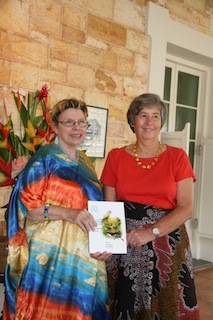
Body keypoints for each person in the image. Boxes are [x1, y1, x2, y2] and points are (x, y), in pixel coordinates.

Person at [3, 98, 111, 320]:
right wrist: (69, 214)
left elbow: (97, 208)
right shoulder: (44, 159)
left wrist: (107, 242)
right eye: (69, 122)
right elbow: (28, 207)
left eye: (82, 122)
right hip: (49, 258)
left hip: (83, 258)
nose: (77, 128)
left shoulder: (85, 162)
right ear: (55, 126)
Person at [101, 93, 200, 320]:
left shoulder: (178, 157)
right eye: (143, 115)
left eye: (155, 116)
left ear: (161, 122)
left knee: (167, 309)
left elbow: (186, 208)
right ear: (133, 121)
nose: (149, 122)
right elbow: (108, 207)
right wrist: (106, 242)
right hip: (126, 245)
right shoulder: (116, 157)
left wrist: (150, 232)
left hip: (167, 245)